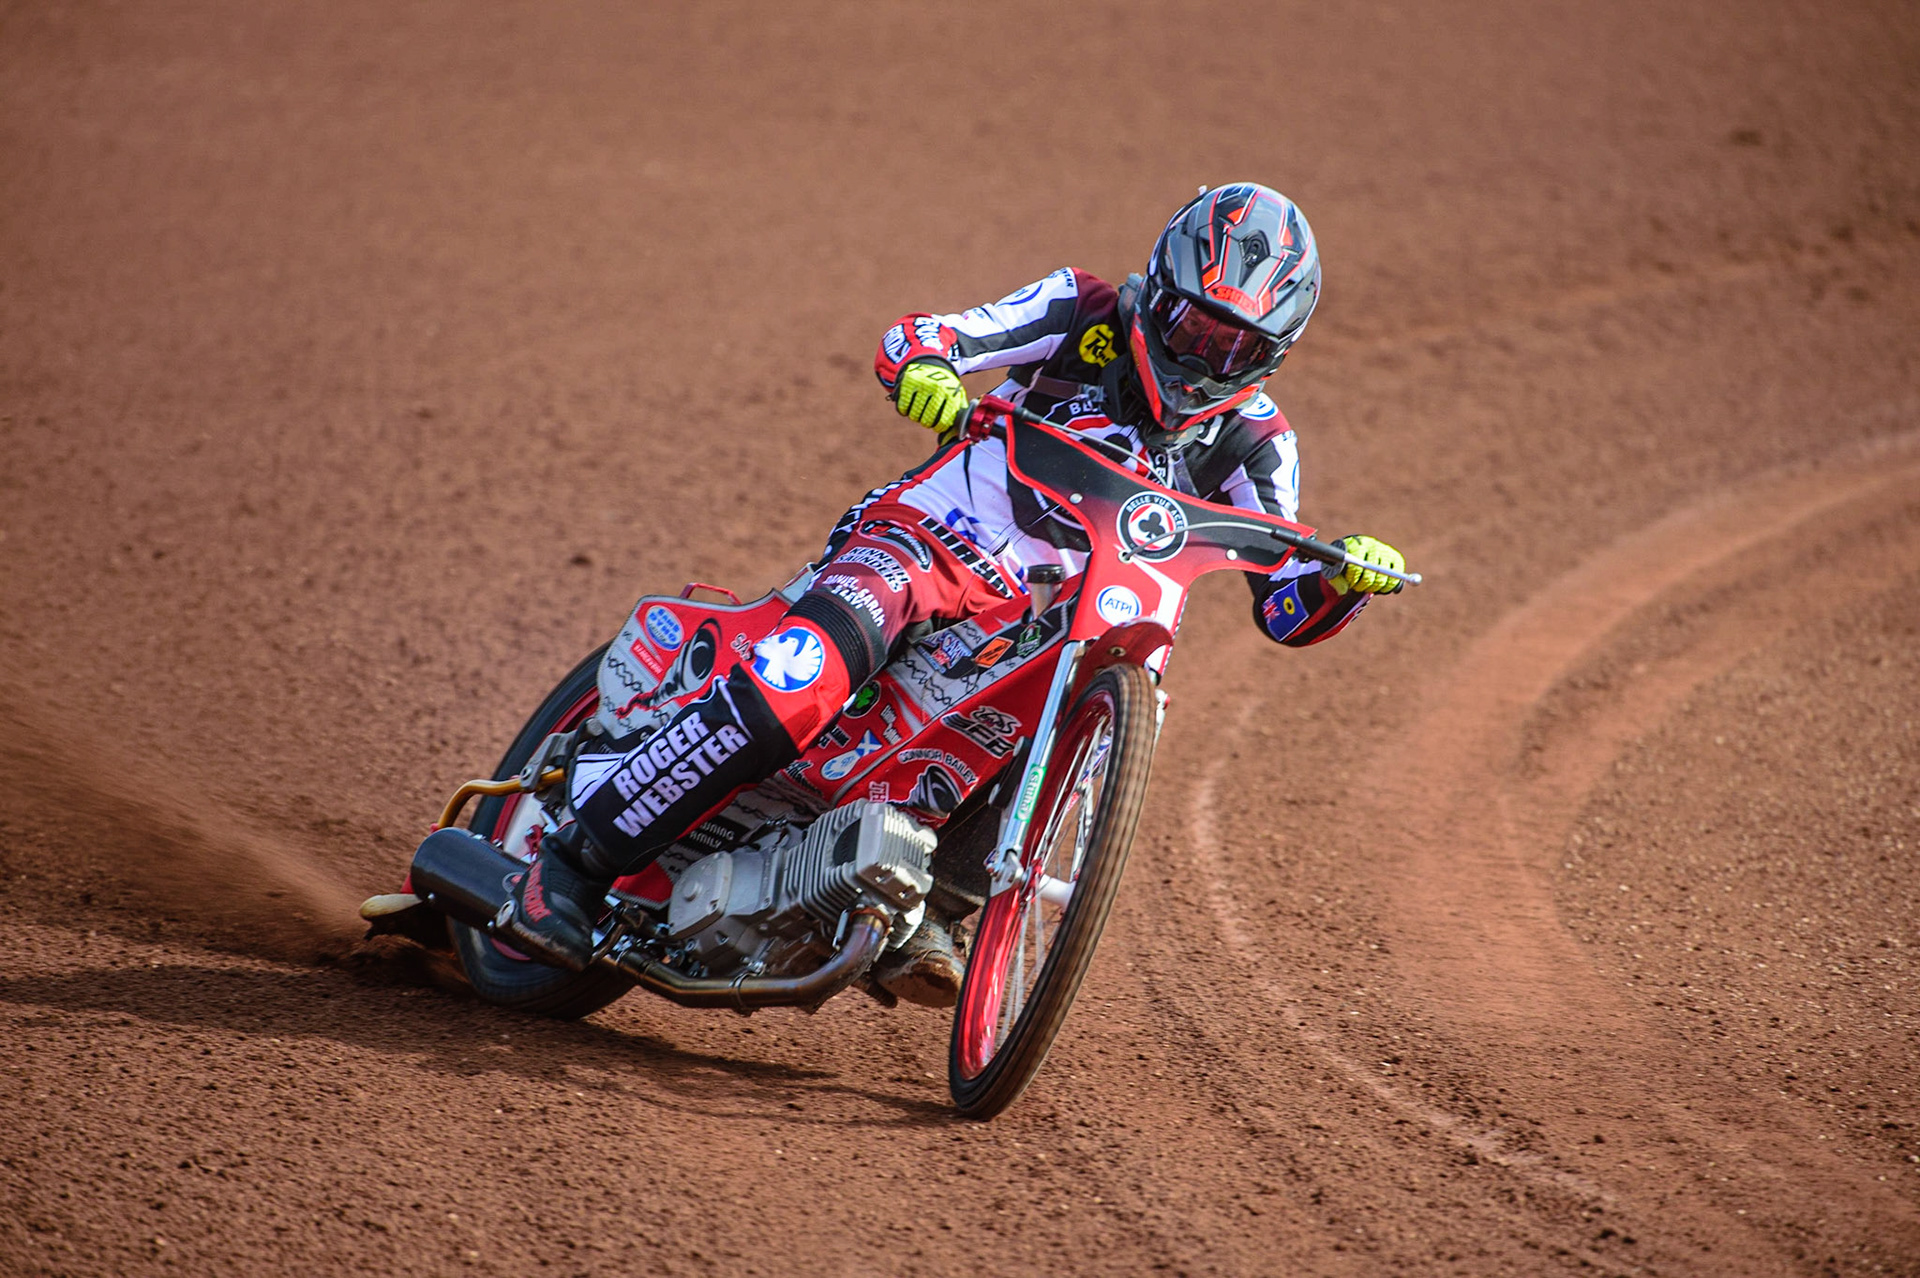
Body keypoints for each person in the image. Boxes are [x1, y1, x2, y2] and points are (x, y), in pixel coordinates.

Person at [502, 182, 1407, 1006]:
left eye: (1235, 344)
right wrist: (931, 373)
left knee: (1091, 720)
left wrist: (1341, 578)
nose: (1204, 354)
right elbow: (927, 337)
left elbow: (1284, 602)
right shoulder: (1082, 307)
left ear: (1271, 355)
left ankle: (932, 902)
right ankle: (573, 865)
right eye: (1194, 326)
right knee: (800, 680)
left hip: (1055, 625)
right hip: (931, 546)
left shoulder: (1259, 442)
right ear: (1158, 290)